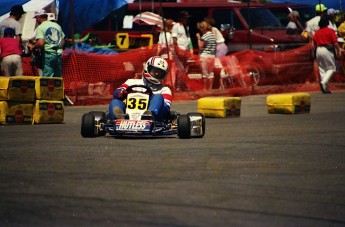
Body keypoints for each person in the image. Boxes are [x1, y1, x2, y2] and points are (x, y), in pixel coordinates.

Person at [108, 56, 172, 121]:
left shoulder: (164, 90)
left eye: (160, 73)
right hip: (128, 116)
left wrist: (151, 98)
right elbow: (116, 94)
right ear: (147, 68)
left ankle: (148, 116)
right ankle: (119, 120)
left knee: (158, 97)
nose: (157, 73)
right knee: (115, 101)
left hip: (154, 120)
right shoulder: (131, 82)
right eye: (155, 71)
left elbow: (165, 108)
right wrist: (122, 93)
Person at [30, 10, 65, 77]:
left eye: (36, 18)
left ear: (38, 18)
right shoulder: (57, 26)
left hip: (48, 54)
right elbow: (63, 41)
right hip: (58, 54)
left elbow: (40, 43)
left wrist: (33, 47)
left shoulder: (40, 27)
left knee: (48, 79)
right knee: (58, 77)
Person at [313, 16, 341, 94]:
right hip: (327, 50)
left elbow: (314, 43)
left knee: (322, 69)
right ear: (327, 23)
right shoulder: (330, 31)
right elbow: (335, 42)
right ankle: (323, 82)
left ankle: (325, 88)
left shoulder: (317, 32)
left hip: (318, 49)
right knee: (331, 68)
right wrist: (338, 50)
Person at [196, 21, 216, 90]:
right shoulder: (213, 35)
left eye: (201, 28)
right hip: (212, 56)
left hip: (204, 56)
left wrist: (198, 38)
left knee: (205, 74)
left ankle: (204, 89)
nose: (201, 30)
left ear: (204, 28)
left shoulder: (205, 36)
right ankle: (210, 88)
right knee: (210, 73)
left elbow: (200, 46)